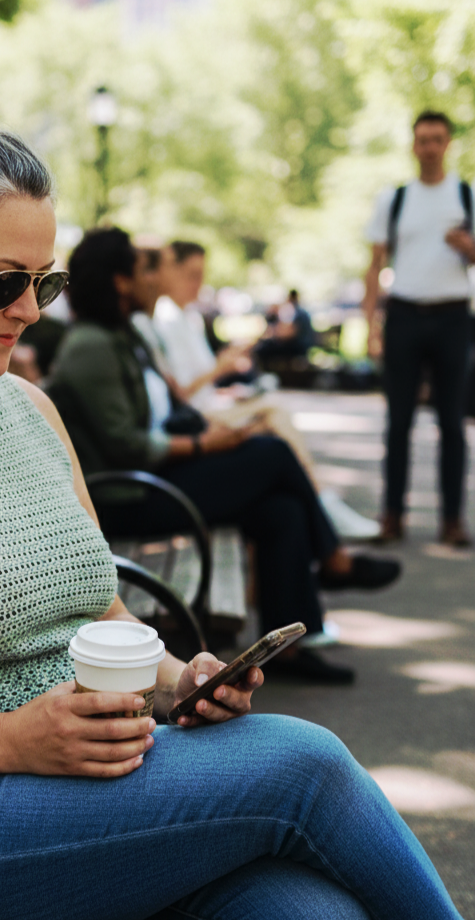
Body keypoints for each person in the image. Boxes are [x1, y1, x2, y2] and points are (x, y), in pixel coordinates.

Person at [0, 77, 461, 920]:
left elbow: (96, 611)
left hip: (83, 782)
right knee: (306, 767)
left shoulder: (30, 408)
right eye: (5, 283)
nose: (32, 311)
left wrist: (181, 679)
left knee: (303, 910)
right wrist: (5, 738)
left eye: (48, 280)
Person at [48, 228, 403, 683]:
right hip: (126, 497)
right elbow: (126, 445)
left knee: (280, 509)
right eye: (143, 269)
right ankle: (332, 558)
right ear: (120, 280)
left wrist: (209, 430)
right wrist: (204, 445)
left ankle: (293, 648)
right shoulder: (91, 346)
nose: (155, 279)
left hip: (155, 477)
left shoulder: (123, 337)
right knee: (273, 455)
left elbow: (166, 412)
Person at [153, 241, 380, 540]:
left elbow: (196, 385)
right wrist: (222, 367)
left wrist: (227, 383)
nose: (198, 283)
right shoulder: (166, 319)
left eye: (201, 274)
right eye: (191, 274)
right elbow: (182, 392)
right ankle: (322, 507)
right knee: (275, 423)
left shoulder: (187, 317)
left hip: (208, 407)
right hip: (197, 419)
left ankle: (321, 507)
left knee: (274, 419)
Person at [363, 110, 475, 547]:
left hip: (452, 315)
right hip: (405, 314)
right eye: (422, 139)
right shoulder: (394, 199)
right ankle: (392, 515)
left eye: (437, 139)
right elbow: (374, 265)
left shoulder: (465, 195)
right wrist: (371, 322)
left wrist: (469, 248)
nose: (429, 146)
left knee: (451, 421)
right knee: (398, 422)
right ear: (413, 145)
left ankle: (451, 519)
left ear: (448, 144)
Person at [254, 289, 315, 368]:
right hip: (303, 345)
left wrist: (275, 334)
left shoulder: (294, 311)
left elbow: (289, 334)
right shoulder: (300, 311)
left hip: (299, 346)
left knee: (263, 350)